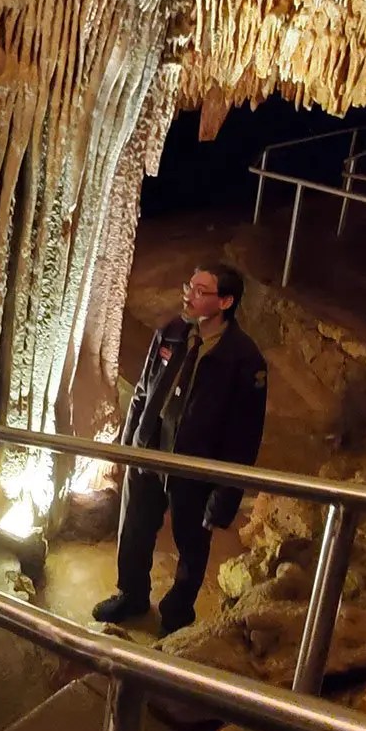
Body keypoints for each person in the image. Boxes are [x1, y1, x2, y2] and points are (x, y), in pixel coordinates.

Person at [92, 263, 268, 634]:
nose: (189, 294)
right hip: (150, 452)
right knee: (135, 528)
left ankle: (177, 612)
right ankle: (131, 593)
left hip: (194, 466)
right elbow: (142, 392)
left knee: (191, 542)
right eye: (190, 285)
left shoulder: (243, 361)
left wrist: (224, 498)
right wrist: (130, 445)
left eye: (201, 291)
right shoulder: (172, 333)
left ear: (225, 301)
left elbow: (244, 436)